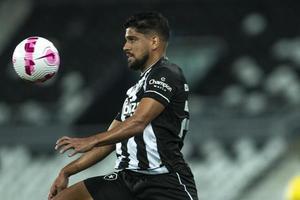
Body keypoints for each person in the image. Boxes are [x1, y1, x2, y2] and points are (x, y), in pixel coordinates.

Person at [49, 11, 199, 200]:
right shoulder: (135, 90)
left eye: (132, 39)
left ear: (154, 42)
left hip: (164, 183)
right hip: (127, 180)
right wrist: (67, 171)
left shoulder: (167, 73)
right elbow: (110, 141)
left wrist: (92, 139)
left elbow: (138, 122)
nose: (125, 47)